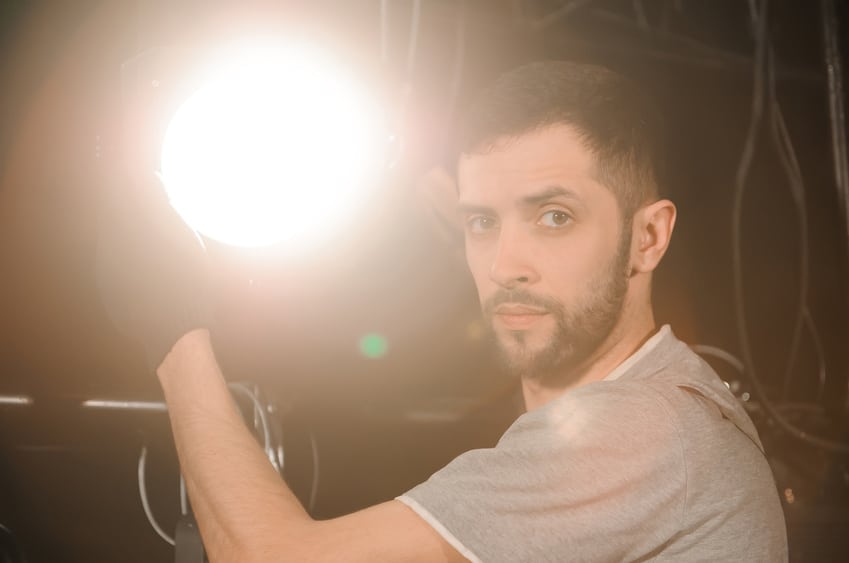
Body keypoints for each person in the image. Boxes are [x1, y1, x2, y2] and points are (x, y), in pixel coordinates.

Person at [97, 61, 788, 561]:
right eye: (481, 222)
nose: (503, 262)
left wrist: (172, 328)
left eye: (554, 215)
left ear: (648, 236)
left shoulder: (641, 429)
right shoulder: (673, 404)